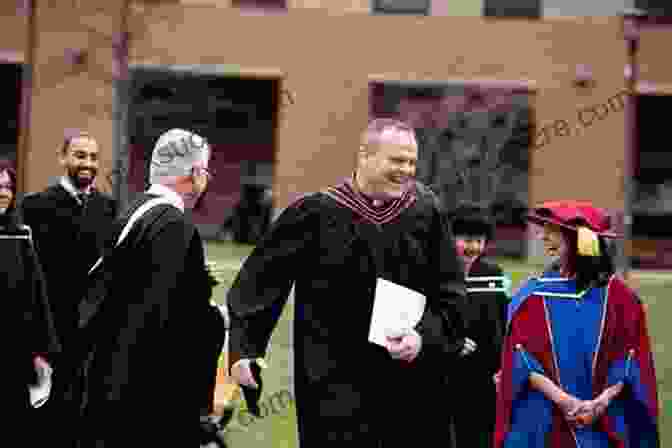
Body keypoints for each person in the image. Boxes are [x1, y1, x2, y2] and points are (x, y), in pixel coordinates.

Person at [227, 118, 469, 446]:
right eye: (397, 160)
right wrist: (245, 349)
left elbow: (451, 294)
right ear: (365, 155)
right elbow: (261, 280)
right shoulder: (316, 213)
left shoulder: (425, 213)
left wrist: (423, 337)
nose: (407, 170)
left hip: (410, 382)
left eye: (412, 161)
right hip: (334, 382)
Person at [77, 129, 217, 447]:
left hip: (106, 381)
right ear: (195, 174)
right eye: (205, 171)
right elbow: (166, 322)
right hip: (144, 401)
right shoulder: (174, 227)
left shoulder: (134, 211)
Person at [495, 200, 660, 447]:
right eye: (543, 229)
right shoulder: (532, 296)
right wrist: (566, 402)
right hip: (544, 420)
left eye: (553, 231)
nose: (543, 237)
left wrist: (601, 402)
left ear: (578, 240)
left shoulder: (621, 299)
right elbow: (521, 360)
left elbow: (631, 357)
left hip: (604, 421)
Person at [19, 131, 117, 447]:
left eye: (92, 157)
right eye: (79, 155)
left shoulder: (108, 209)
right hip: (50, 331)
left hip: (94, 333)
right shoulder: (35, 207)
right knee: (47, 417)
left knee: (86, 416)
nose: (87, 163)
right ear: (63, 159)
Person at [0, 160, 61, 440]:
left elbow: (37, 297)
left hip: (14, 352)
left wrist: (41, 349)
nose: (4, 192)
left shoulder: (21, 236)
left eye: (8, 187)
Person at [448, 201, 508, 448]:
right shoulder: (436, 272)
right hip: (447, 370)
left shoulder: (494, 275)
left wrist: (504, 367)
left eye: (479, 240)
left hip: (486, 374)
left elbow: (505, 322)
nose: (473, 247)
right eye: (466, 239)